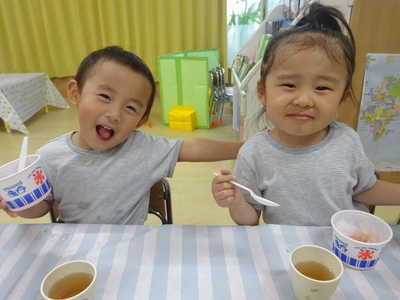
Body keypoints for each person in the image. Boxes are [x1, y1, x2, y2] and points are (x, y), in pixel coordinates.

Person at [0, 46, 242, 224]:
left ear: (142, 120)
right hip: (75, 252)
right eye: (104, 96)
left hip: (131, 250)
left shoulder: (143, 148)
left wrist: (242, 147)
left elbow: (193, 147)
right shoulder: (49, 157)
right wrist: (19, 206)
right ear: (75, 93)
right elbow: (40, 208)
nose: (114, 114)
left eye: (131, 108)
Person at [212, 3, 400, 226]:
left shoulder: (348, 141)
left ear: (342, 97)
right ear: (262, 92)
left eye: (322, 88)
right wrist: (234, 201)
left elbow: (364, 191)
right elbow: (249, 220)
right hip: (288, 251)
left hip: (340, 247)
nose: (303, 100)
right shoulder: (253, 153)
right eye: (289, 85)